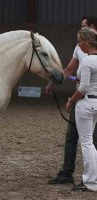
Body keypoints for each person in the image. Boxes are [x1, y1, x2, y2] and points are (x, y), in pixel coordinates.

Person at [46, 16, 97, 184]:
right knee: (71, 137)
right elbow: (69, 69)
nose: (80, 30)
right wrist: (55, 80)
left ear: (91, 26)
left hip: (87, 97)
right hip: (82, 98)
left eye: (83, 26)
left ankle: (90, 177)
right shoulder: (79, 47)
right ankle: (67, 172)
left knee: (91, 140)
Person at [66, 27, 97, 191]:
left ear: (86, 42)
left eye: (79, 42)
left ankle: (90, 182)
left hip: (86, 104)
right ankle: (93, 179)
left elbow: (83, 88)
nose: (78, 46)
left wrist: (71, 101)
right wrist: (76, 79)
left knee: (86, 143)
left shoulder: (86, 61)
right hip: (96, 102)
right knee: (90, 143)